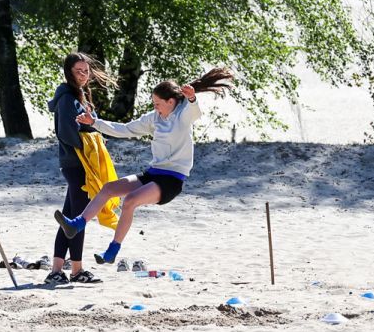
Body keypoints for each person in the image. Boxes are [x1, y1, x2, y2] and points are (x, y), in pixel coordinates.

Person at [55, 67, 237, 264]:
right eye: (153, 103)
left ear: (170, 102)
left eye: (158, 103)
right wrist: (95, 123)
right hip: (153, 173)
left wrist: (192, 99)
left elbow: (195, 112)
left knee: (130, 200)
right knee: (108, 189)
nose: (155, 107)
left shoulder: (183, 115)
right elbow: (125, 129)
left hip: (172, 180)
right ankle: (77, 225)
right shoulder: (154, 118)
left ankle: (112, 250)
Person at [46, 52, 113, 285]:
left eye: (86, 71)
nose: (83, 75)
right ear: (69, 73)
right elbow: (66, 132)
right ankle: (76, 270)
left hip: (83, 163)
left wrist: (97, 140)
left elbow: (89, 127)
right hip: (76, 163)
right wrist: (89, 146)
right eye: (78, 71)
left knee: (69, 220)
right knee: (78, 219)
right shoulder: (67, 98)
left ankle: (56, 270)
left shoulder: (82, 96)